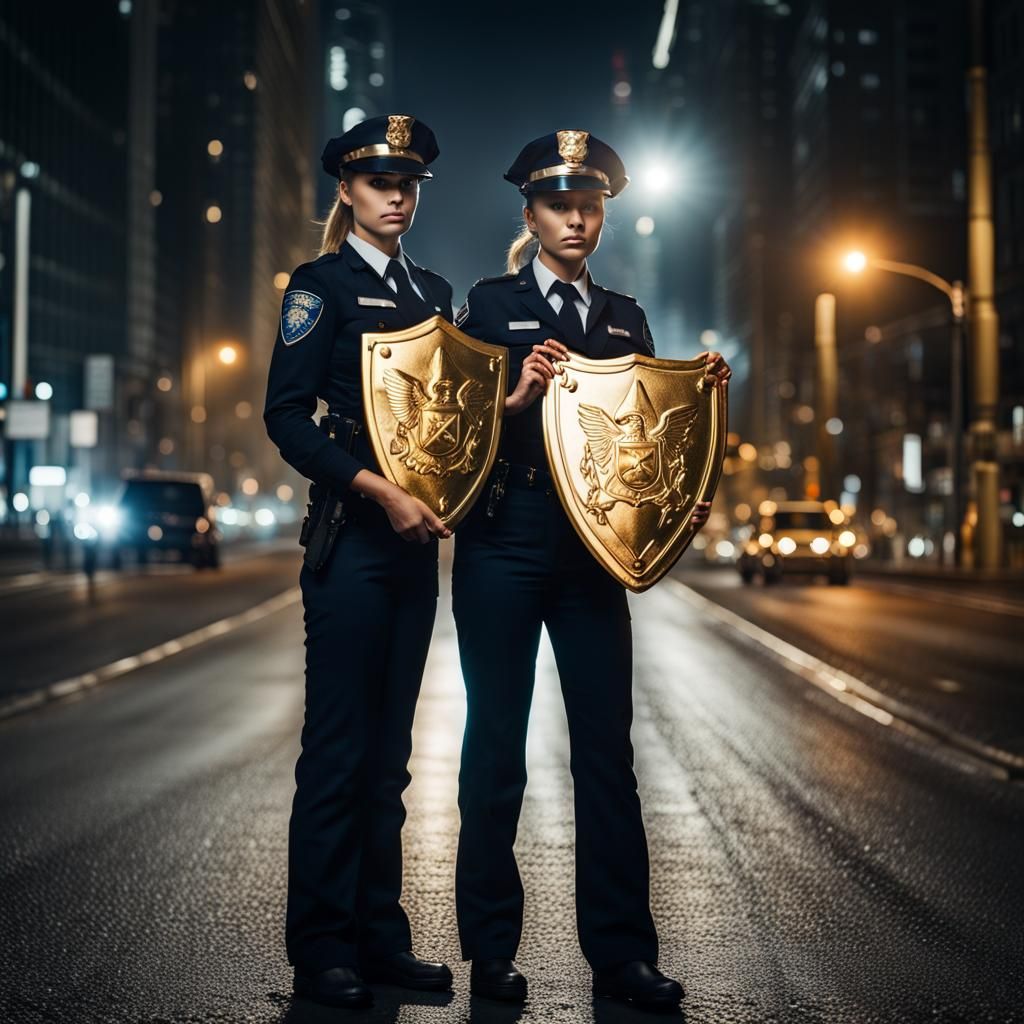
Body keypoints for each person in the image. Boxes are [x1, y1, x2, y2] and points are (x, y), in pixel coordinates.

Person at [451, 130, 731, 1012]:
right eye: (558, 205)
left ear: (603, 215)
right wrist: (514, 396)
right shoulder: (487, 306)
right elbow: (453, 436)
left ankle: (623, 957)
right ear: (529, 215)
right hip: (504, 535)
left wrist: (697, 415)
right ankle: (490, 953)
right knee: (495, 751)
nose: (575, 219)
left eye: (589, 206)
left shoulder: (624, 318)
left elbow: (650, 436)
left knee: (606, 756)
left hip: (594, 550)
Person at [263, 114, 455, 1010]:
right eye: (380, 183)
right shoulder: (320, 286)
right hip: (352, 545)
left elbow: (450, 416)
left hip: (413, 555)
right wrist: (378, 489)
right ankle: (322, 949)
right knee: (338, 755)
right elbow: (287, 417)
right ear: (346, 190)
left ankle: (381, 940)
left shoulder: (434, 293)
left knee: (389, 763)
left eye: (408, 184)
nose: (397, 197)